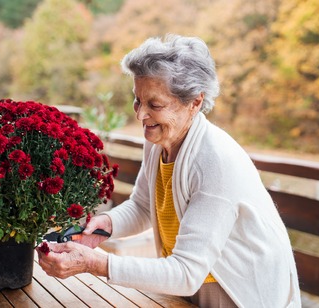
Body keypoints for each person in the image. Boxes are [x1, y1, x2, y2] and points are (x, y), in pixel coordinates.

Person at [37, 34, 301, 307]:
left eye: (155, 105)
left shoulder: (216, 162)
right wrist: (106, 225)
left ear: (195, 102)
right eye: (137, 100)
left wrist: (97, 264)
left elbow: (186, 272)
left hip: (240, 293)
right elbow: (142, 206)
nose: (140, 115)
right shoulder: (158, 141)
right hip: (190, 285)